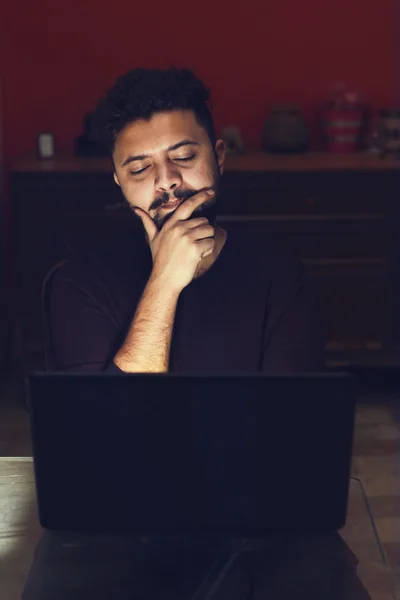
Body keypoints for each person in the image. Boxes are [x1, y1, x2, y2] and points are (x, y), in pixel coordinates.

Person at [23, 67, 371, 599]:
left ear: (220, 156)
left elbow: (289, 452)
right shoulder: (79, 281)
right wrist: (165, 281)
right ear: (118, 181)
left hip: (256, 519)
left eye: (184, 158)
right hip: (113, 525)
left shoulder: (282, 278)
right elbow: (101, 449)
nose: (166, 182)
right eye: (140, 168)